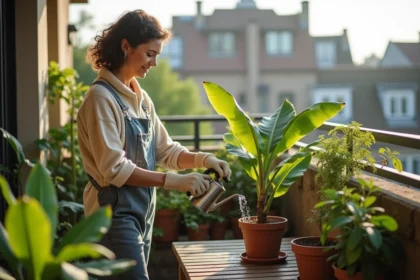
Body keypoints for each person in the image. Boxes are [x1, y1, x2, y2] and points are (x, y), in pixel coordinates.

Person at [77, 9, 232, 280]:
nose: (154, 63)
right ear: (126, 46)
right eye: (150, 54)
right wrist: (175, 181)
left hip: (143, 210)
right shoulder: (101, 98)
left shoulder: (141, 97)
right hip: (113, 214)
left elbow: (165, 150)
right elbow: (114, 169)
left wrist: (203, 159)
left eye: (157, 56)